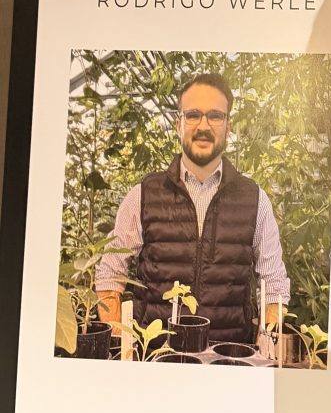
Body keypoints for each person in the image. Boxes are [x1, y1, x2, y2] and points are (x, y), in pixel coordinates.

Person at [96, 72, 289, 343]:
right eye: (193, 114)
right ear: (179, 123)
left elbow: (275, 285)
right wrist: (119, 341)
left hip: (228, 359)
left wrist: (266, 344)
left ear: (228, 126)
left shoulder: (255, 200)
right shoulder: (142, 195)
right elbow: (109, 273)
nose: (203, 125)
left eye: (215, 116)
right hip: (155, 357)